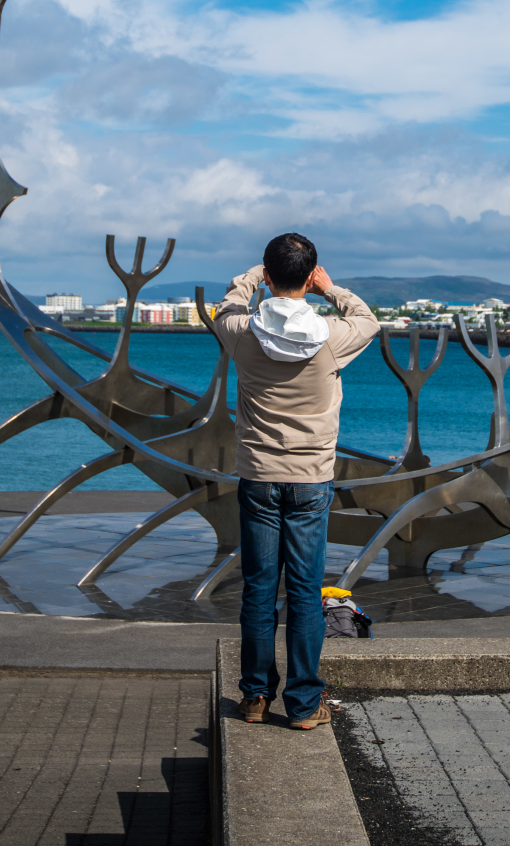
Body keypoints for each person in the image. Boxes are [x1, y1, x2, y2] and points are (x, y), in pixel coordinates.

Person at [213, 233, 379, 731]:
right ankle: (305, 705)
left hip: (259, 476)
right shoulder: (331, 336)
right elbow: (369, 321)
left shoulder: (243, 332)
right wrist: (332, 290)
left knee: (259, 589)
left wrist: (251, 278)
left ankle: (256, 697)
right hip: (311, 481)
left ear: (268, 274)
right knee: (306, 592)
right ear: (310, 275)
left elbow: (226, 307)